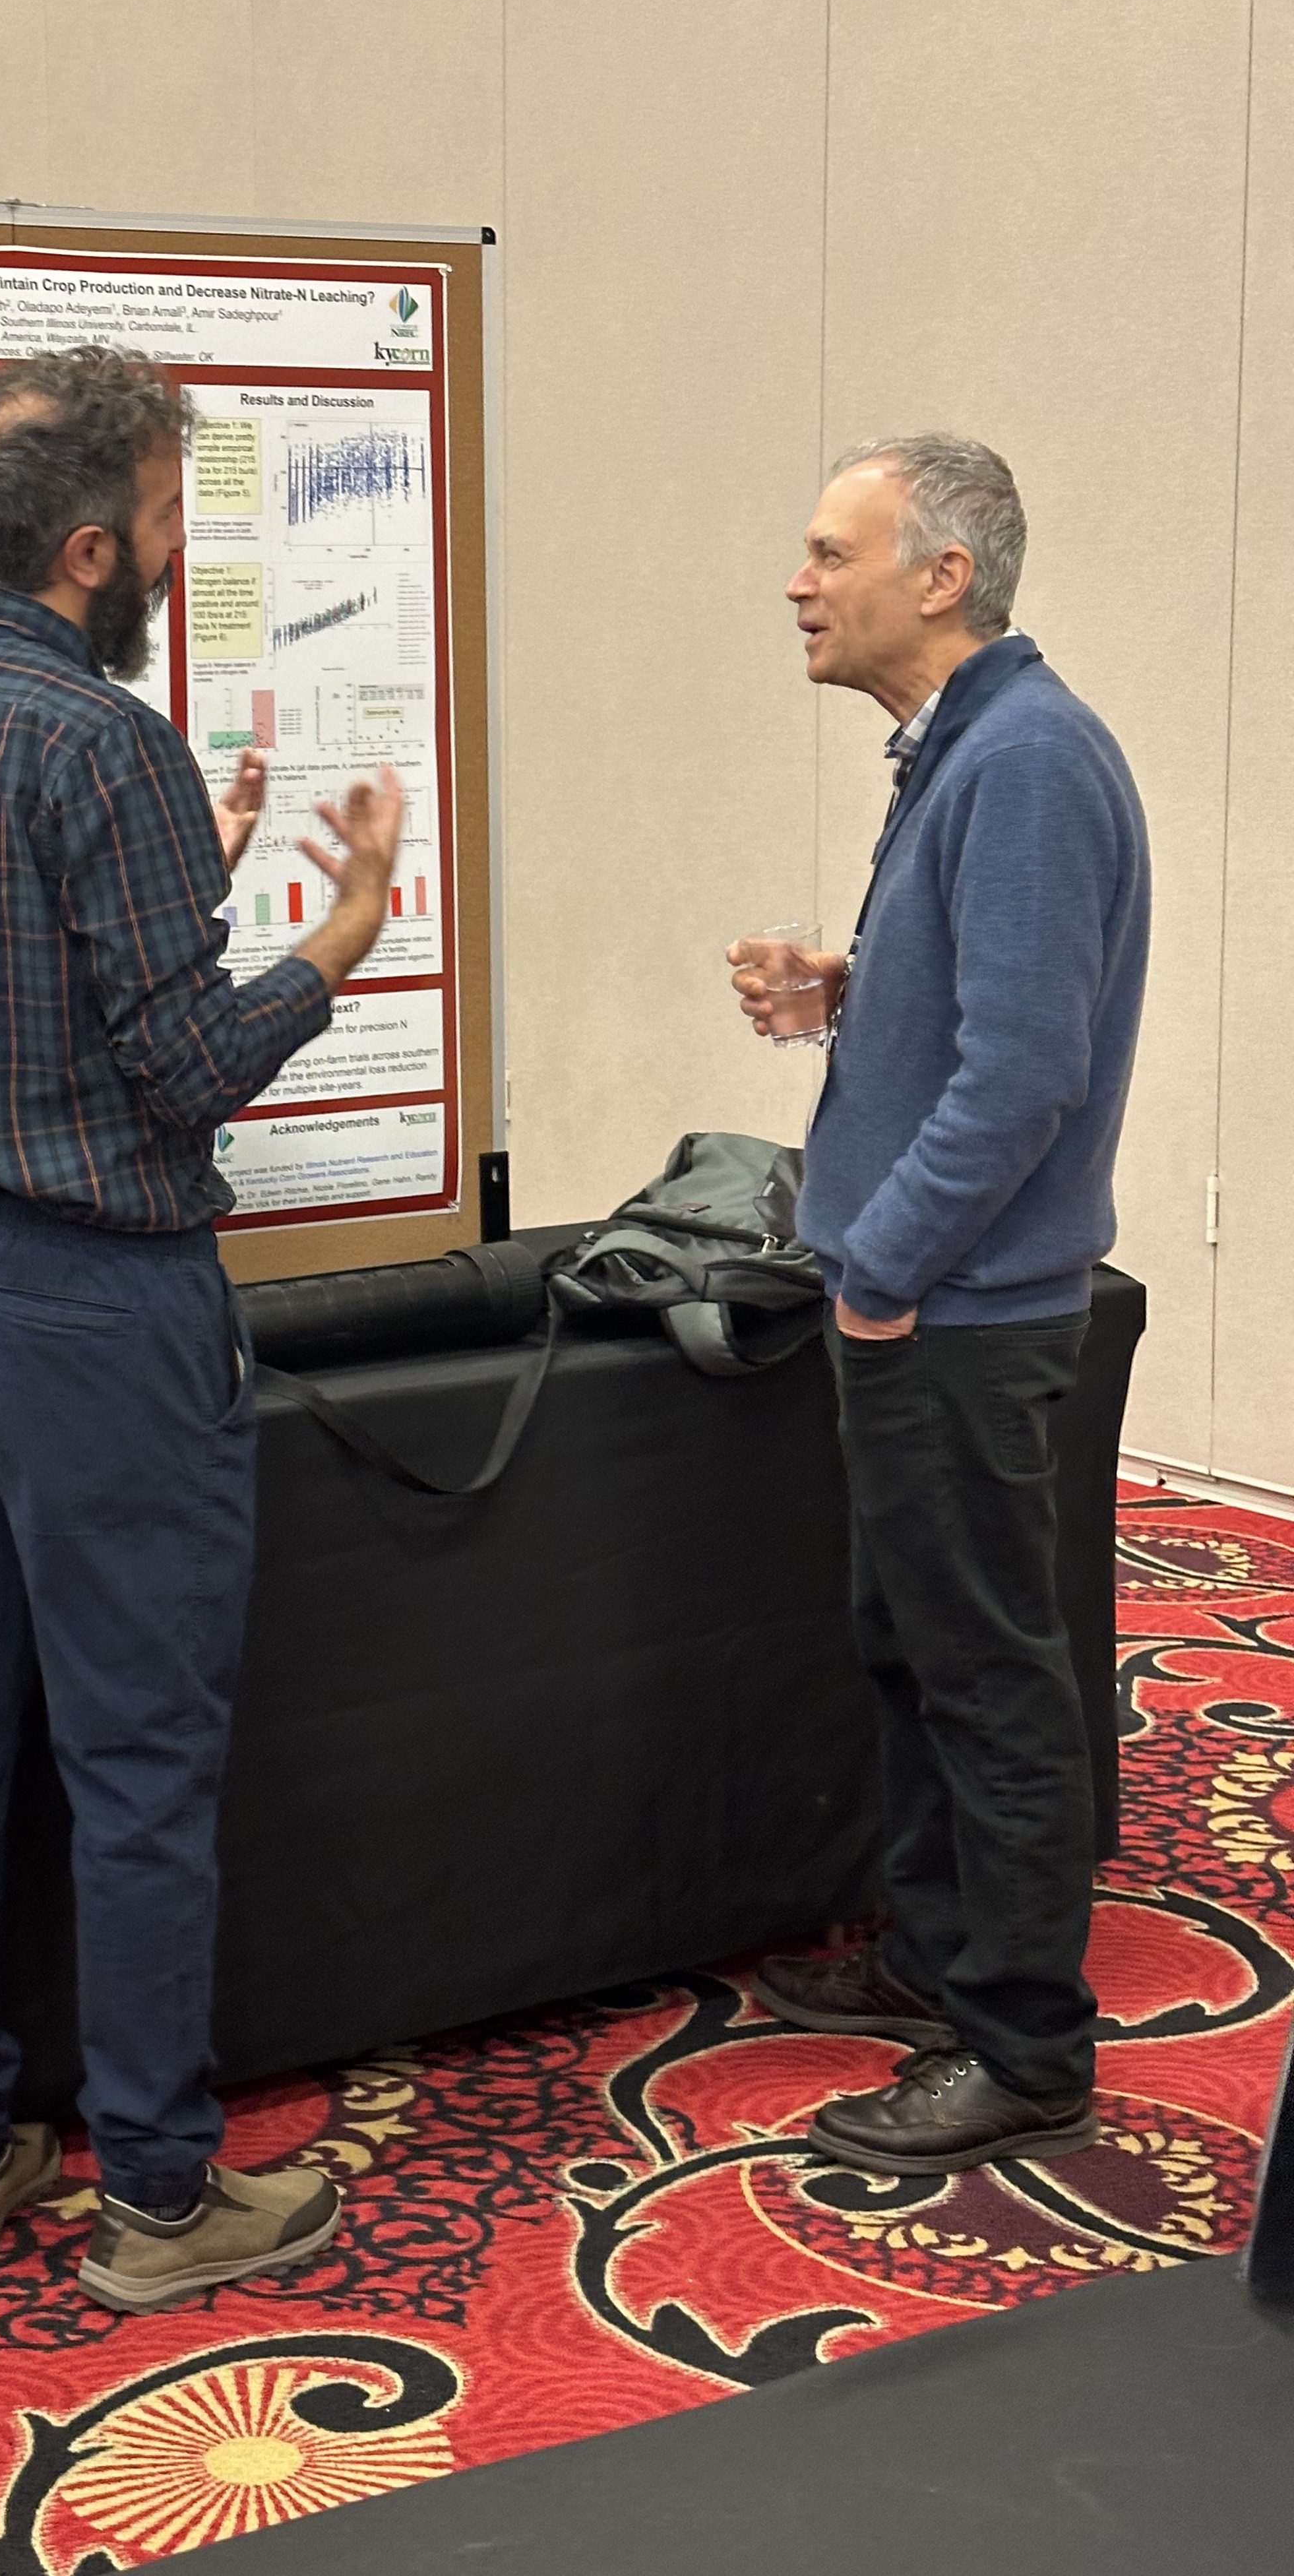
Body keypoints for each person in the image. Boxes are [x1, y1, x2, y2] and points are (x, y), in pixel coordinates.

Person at [0, 346, 404, 2313]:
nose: (169, 554)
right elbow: (182, 1070)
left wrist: (183, 877)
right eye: (157, 523)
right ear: (83, 550)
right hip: (90, 1304)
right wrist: (338, 937)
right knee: (140, 1761)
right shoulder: (103, 742)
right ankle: (158, 2194)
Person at [728, 433, 1150, 2176]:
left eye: (832, 553)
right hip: (930, 1301)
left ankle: (1027, 2043)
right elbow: (990, 1001)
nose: (799, 583)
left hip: (957, 1313)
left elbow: (1027, 1070)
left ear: (943, 576)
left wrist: (885, 1275)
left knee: (986, 1675)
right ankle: (940, 1953)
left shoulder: (1026, 760)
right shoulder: (971, 747)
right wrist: (850, 987)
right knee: (915, 1646)